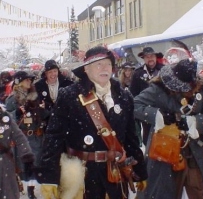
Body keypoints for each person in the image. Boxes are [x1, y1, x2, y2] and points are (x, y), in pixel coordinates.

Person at [37, 46, 147, 199]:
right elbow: (53, 138)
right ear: (86, 69)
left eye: (108, 64)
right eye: (98, 64)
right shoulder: (69, 95)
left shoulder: (124, 96)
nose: (104, 68)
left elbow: (130, 137)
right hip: (82, 176)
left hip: (114, 174)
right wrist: (49, 178)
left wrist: (140, 170)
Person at [134, 58, 203, 199]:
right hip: (164, 148)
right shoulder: (159, 87)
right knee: (162, 193)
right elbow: (135, 105)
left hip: (193, 150)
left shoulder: (201, 87)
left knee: (198, 192)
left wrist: (193, 122)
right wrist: (159, 115)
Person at [5, 71, 50, 199]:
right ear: (19, 82)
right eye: (26, 80)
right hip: (22, 138)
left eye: (30, 80)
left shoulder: (36, 97)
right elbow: (5, 119)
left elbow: (44, 115)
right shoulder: (12, 99)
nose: (29, 82)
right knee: (23, 165)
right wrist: (18, 112)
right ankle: (21, 189)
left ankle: (31, 190)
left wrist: (43, 111)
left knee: (35, 164)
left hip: (36, 137)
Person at [129, 46, 164, 146]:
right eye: (147, 57)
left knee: (164, 137)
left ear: (156, 57)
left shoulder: (164, 70)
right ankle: (149, 159)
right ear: (143, 59)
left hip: (163, 110)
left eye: (152, 56)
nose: (150, 58)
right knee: (148, 138)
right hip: (146, 111)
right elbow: (133, 93)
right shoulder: (138, 73)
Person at [0, 103, 35, 199]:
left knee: (8, 193)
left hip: (5, 162)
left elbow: (19, 137)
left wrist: (27, 155)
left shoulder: (5, 117)